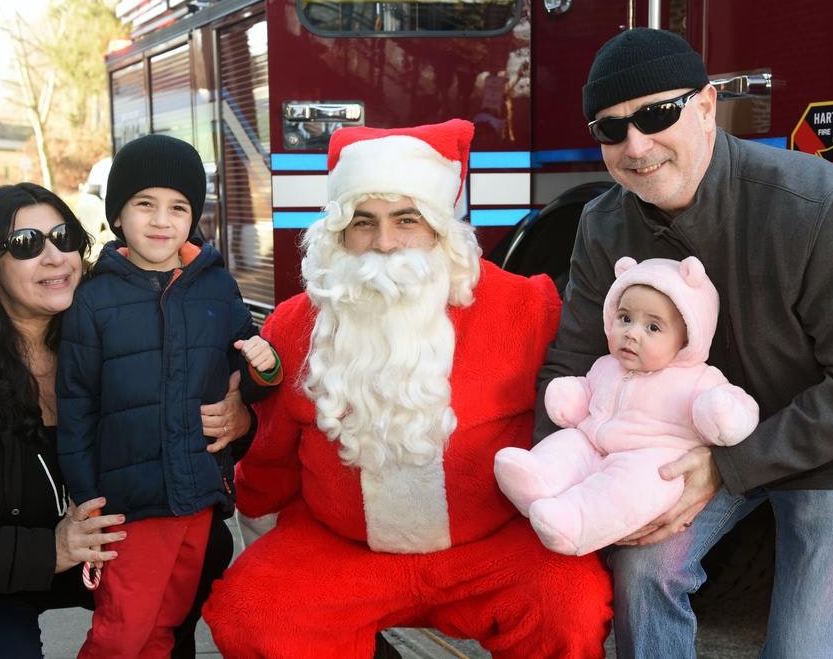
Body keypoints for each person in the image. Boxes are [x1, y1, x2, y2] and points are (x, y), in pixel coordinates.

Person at [536, 27, 833, 658]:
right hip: (689, 437)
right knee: (642, 571)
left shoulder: (820, 205)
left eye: (657, 115)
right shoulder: (604, 222)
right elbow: (573, 359)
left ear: (709, 105)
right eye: (611, 129)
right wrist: (551, 480)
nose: (636, 146)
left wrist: (728, 466)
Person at [203, 119, 613, 658]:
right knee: (252, 612)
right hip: (344, 550)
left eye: (407, 219)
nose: (385, 243)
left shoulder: (526, 308)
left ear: (441, 228)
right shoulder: (295, 325)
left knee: (569, 605)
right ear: (339, 233)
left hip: (490, 548)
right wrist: (249, 484)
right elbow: (271, 453)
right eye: (363, 222)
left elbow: (586, 417)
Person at [0, 183, 254, 659]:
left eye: (64, 236)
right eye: (26, 245)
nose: (56, 257)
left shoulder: (120, 326)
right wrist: (51, 550)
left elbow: (192, 430)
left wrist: (240, 420)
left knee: (203, 550)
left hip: (107, 544)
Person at [56, 134, 281, 658]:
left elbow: (239, 373)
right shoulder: (94, 299)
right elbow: (77, 407)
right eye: (145, 204)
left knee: (166, 623)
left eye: (178, 207)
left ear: (193, 216)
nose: (162, 220)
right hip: (128, 506)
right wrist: (88, 499)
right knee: (122, 631)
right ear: (118, 214)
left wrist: (262, 372)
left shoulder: (216, 286)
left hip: (196, 495)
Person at [496, 256, 758, 556]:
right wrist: (571, 396)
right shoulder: (607, 365)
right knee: (569, 442)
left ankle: (575, 521)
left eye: (653, 327)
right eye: (625, 319)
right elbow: (589, 391)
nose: (632, 333)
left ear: (688, 337)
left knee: (630, 487)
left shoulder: (696, 379)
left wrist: (723, 412)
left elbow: (736, 408)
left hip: (652, 460)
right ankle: (536, 479)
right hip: (595, 443)